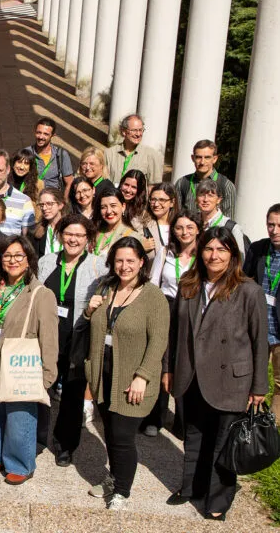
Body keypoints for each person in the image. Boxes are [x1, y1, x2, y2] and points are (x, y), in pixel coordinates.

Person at [166, 226, 268, 520]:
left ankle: (218, 501)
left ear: (232, 255)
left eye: (221, 250)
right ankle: (192, 488)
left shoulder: (248, 290)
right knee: (195, 436)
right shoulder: (188, 284)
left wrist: (258, 387)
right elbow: (174, 334)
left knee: (224, 443)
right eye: (209, 249)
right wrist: (168, 370)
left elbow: (260, 342)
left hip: (231, 380)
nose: (214, 255)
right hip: (191, 373)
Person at [79, 236, 169, 510]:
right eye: (119, 260)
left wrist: (143, 376)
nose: (124, 266)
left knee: (122, 436)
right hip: (104, 373)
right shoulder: (106, 287)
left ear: (142, 262)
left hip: (133, 378)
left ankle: (122, 490)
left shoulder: (153, 297)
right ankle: (115, 477)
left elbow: (158, 343)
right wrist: (89, 310)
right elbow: (93, 325)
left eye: (131, 260)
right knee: (110, 431)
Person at [0, 235, 58, 484]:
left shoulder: (40, 294)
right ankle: (1, 453)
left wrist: (48, 372)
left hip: (21, 364)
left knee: (20, 416)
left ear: (29, 259)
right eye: (7, 255)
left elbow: (50, 337)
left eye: (18, 255)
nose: (12, 260)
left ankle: (21, 463)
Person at [37, 214, 105, 466]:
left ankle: (66, 443)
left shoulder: (99, 265)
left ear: (88, 239)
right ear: (60, 235)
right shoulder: (45, 262)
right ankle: (37, 435)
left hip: (78, 335)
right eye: (68, 234)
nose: (73, 239)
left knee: (73, 393)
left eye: (79, 235)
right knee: (41, 386)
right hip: (47, 334)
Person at [147, 210, 201, 438]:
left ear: (198, 229)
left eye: (189, 227)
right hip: (166, 306)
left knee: (185, 361)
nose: (184, 232)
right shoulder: (165, 252)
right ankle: (155, 418)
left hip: (192, 309)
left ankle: (183, 420)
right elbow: (154, 282)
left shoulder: (203, 255)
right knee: (161, 360)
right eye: (179, 228)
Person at [242, 203, 280, 421]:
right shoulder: (258, 249)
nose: (274, 230)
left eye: (279, 225)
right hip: (257, 328)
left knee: (278, 382)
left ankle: (270, 428)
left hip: (279, 330)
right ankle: (248, 421)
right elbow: (244, 281)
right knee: (251, 377)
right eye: (270, 225)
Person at [173, 140, 236, 218]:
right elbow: (175, 216)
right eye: (198, 157)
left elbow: (228, 222)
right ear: (193, 158)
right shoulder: (182, 183)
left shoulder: (226, 185)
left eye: (207, 157)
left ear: (215, 159)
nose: (202, 162)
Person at [104, 115, 163, 185]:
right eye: (134, 130)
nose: (138, 134)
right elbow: (103, 181)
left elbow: (154, 186)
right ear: (124, 131)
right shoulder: (109, 153)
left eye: (141, 130)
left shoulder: (151, 154)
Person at [194, 179, 246, 256]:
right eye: (201, 195)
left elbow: (239, 259)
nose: (205, 199)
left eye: (210, 195)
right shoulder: (191, 223)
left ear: (218, 200)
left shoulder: (232, 228)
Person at [23, 117, 74, 192]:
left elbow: (69, 182)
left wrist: (64, 202)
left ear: (53, 135)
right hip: (32, 198)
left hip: (53, 199)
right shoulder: (26, 153)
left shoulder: (61, 155)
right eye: (38, 132)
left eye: (46, 134)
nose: (41, 137)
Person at [92, 188, 135, 257]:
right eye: (103, 207)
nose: (108, 211)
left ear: (123, 207)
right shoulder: (96, 231)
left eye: (113, 206)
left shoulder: (131, 236)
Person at [141, 183, 178, 262]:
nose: (156, 204)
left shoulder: (180, 225)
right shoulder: (141, 224)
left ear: (172, 202)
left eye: (162, 200)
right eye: (153, 199)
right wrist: (140, 247)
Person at [30, 187, 67, 257]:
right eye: (41, 205)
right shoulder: (36, 231)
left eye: (49, 204)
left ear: (60, 205)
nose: (44, 208)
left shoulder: (70, 228)